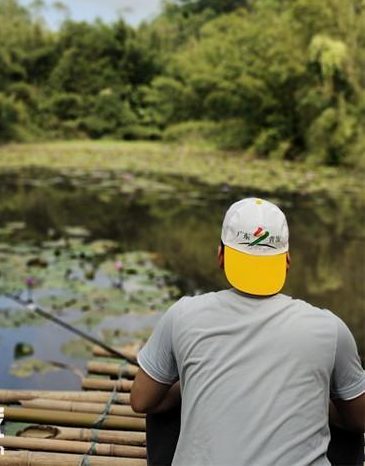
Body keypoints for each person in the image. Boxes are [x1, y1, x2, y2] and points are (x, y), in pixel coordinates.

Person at [130, 198, 364, 466]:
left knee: (164, 406)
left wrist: (191, 383)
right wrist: (314, 399)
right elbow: (361, 419)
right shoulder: (329, 328)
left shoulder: (183, 314)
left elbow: (141, 400)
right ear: (287, 261)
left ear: (220, 256)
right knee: (348, 414)